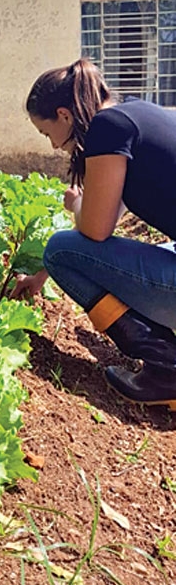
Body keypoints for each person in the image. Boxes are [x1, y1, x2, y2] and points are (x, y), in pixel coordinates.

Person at [12, 58, 176, 411]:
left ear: (64, 116)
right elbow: (100, 234)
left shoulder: (108, 127)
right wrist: (44, 275)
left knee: (57, 249)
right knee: (69, 255)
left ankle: (168, 371)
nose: (54, 146)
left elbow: (95, 231)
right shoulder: (134, 112)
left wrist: (76, 206)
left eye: (47, 132)